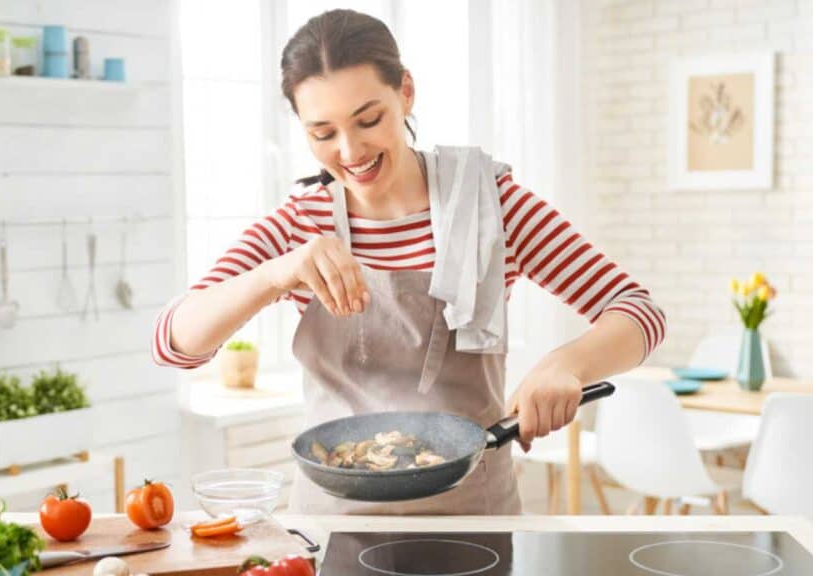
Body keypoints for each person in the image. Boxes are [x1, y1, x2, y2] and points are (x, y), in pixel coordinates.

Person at [153, 9, 665, 515]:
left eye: (368, 119)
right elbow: (173, 343)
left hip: (472, 519)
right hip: (333, 523)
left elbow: (640, 312)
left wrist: (565, 365)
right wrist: (277, 272)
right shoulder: (300, 223)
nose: (350, 151)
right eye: (323, 133)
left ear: (406, 92)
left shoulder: (490, 205)